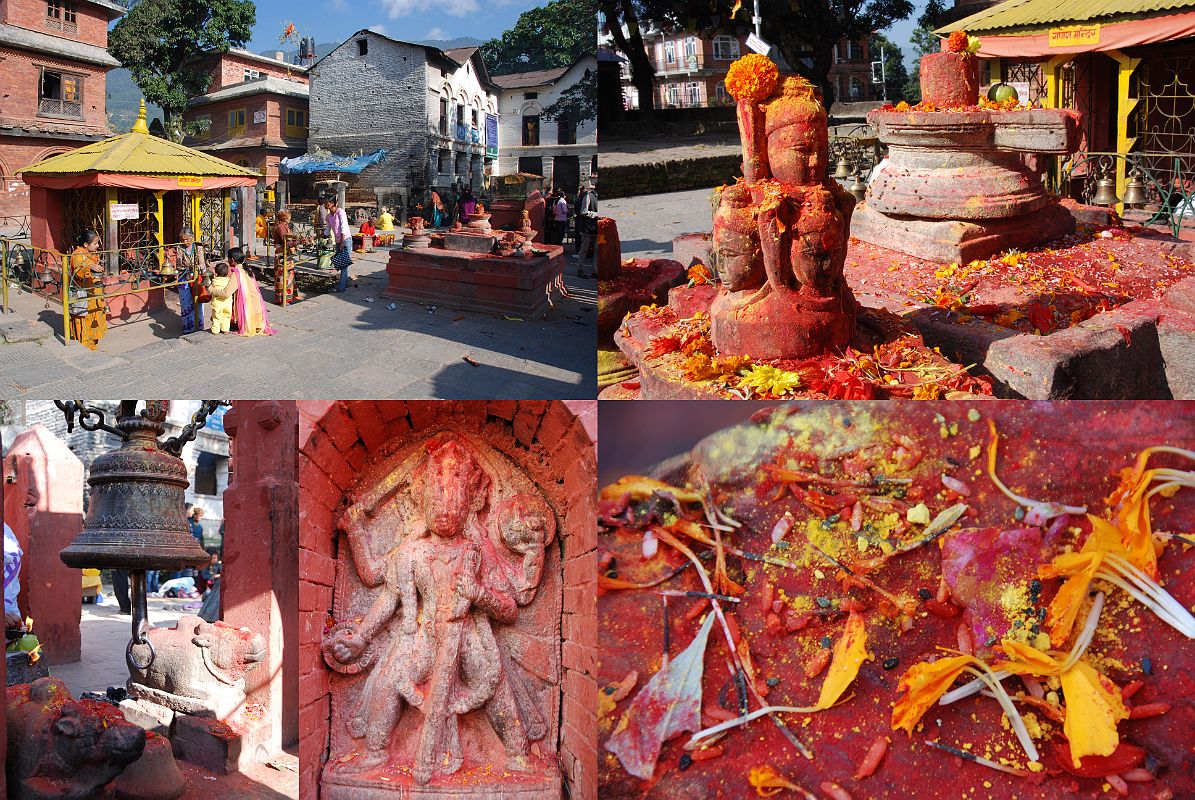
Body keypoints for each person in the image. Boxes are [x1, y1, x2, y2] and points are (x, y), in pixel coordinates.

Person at [68, 230, 107, 350]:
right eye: (95, 244)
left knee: (95, 319)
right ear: (86, 244)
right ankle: (84, 346)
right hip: (84, 293)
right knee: (84, 319)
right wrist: (90, 267)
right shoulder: (77, 254)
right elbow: (79, 271)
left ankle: (93, 345)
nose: (97, 246)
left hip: (94, 292)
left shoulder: (91, 254)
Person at [227, 247, 276, 335]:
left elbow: (226, 293)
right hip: (258, 312)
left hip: (250, 315)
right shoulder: (247, 269)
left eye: (228, 259)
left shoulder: (237, 273)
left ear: (232, 260)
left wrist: (212, 290)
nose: (227, 261)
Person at [173, 227, 207, 334]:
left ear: (192, 237)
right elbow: (179, 264)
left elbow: (202, 262)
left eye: (187, 239)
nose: (185, 242)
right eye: (183, 240)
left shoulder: (198, 247)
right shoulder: (180, 248)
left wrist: (199, 268)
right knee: (185, 302)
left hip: (197, 275)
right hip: (185, 275)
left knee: (198, 300)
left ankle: (199, 324)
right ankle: (188, 327)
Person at [323, 193, 353, 292]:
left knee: (344, 265)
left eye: (326, 203)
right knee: (340, 264)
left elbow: (344, 227)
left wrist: (342, 242)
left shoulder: (340, 212)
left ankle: (341, 287)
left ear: (332, 203)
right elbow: (327, 231)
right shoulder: (328, 216)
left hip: (345, 240)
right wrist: (317, 237)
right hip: (338, 241)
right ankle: (343, 282)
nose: (324, 205)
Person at [272, 210, 301, 304]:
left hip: (284, 254)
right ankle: (283, 299)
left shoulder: (284, 226)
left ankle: (287, 297)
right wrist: (298, 240)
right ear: (286, 218)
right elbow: (287, 242)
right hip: (282, 254)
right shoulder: (281, 228)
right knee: (283, 277)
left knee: (286, 276)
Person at [575, 181, 599, 278]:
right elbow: (583, 211)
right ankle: (580, 269)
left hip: (597, 228)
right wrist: (595, 214)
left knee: (597, 251)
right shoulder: (589, 196)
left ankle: (595, 271)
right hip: (587, 227)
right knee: (584, 250)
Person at [209, 261, 237, 334]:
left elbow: (210, 289)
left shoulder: (214, 281)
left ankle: (215, 330)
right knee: (227, 316)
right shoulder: (229, 281)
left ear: (216, 273)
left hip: (217, 303)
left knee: (216, 317)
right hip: (227, 303)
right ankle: (225, 329)